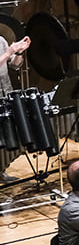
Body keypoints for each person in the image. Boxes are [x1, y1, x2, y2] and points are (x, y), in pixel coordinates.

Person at [0, 34, 29, 182]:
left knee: (6, 136)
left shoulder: (0, 40)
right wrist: (9, 52)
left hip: (5, 94)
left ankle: (1, 170)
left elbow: (15, 65)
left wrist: (18, 53)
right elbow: (5, 56)